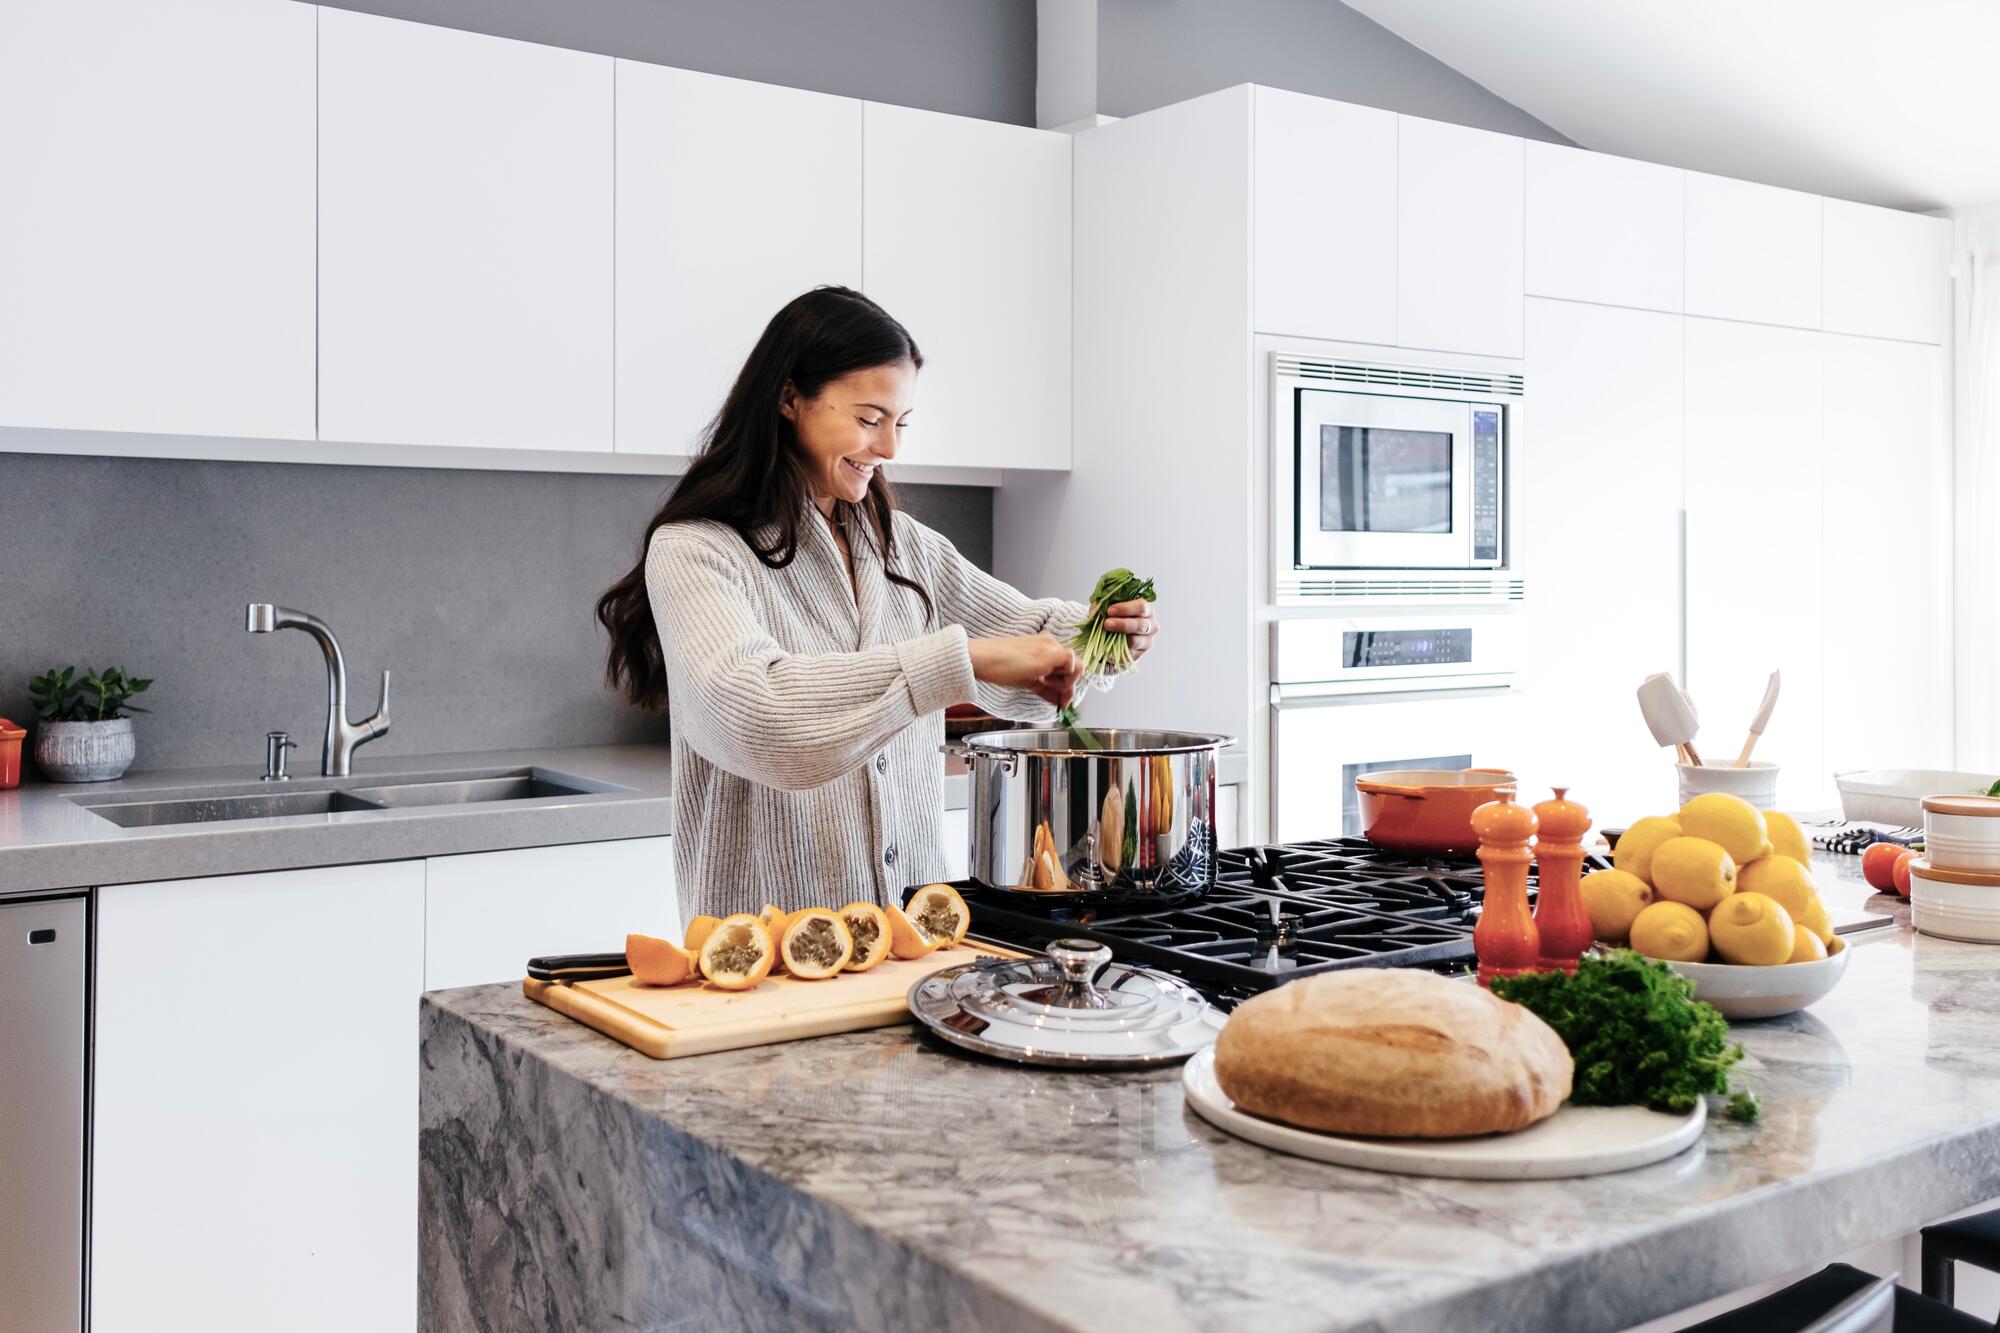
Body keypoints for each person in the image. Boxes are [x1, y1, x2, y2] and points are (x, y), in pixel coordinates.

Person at [597, 287, 1159, 921]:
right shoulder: (698, 550)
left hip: (918, 938)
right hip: (767, 953)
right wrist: (958, 661)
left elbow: (1027, 638)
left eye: (901, 422)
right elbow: (758, 716)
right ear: (788, 399)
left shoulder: (904, 546)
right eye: (869, 419)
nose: (890, 448)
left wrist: (1102, 636)